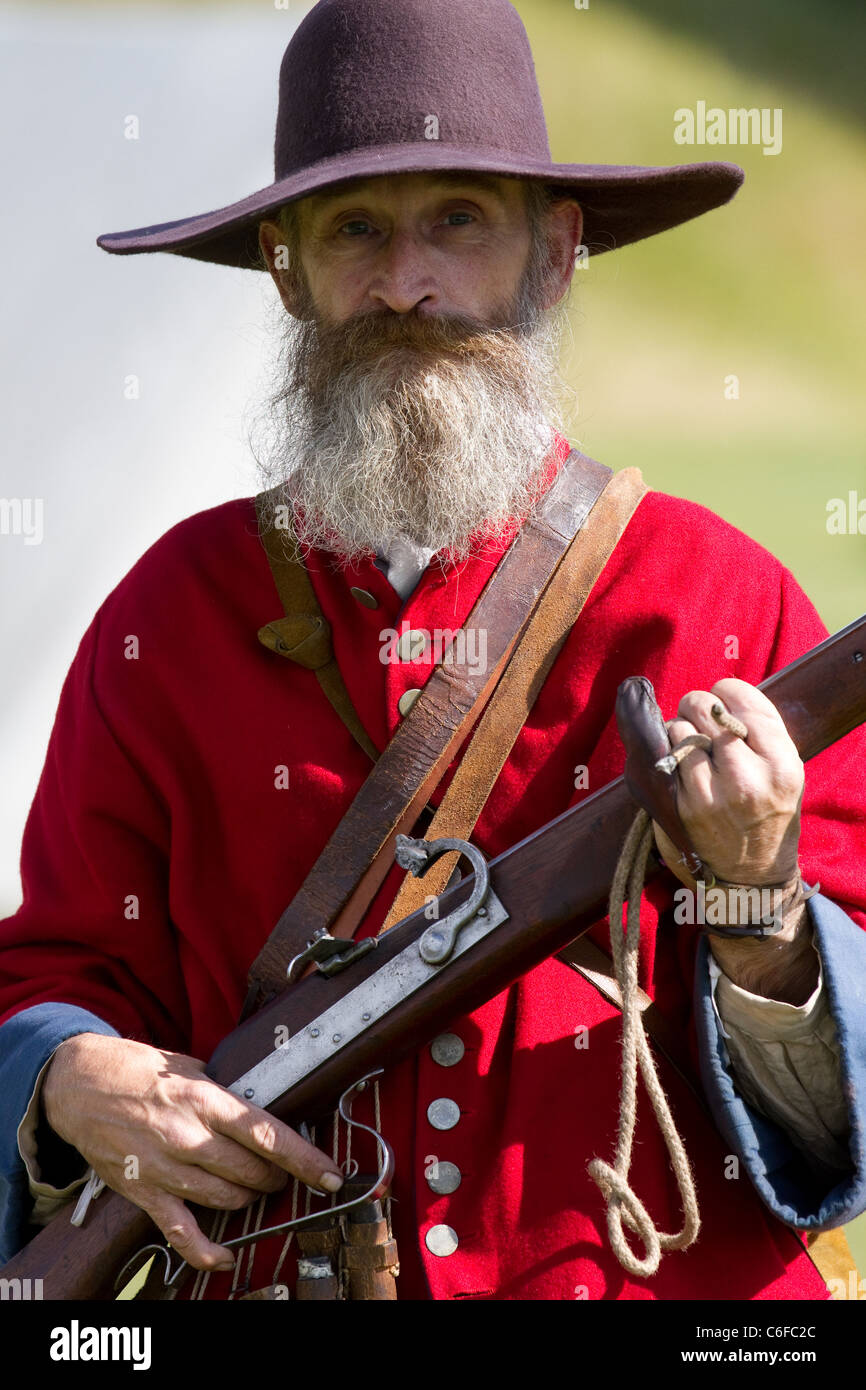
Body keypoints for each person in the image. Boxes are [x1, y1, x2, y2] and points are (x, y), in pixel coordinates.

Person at [1, 0, 864, 1302]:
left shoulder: (718, 597)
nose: (405, 282)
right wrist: (69, 1075)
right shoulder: (165, 615)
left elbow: (839, 1108)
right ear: (286, 269)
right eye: (355, 229)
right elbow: (60, 965)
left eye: (456, 218)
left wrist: (754, 908)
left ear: (555, 252)